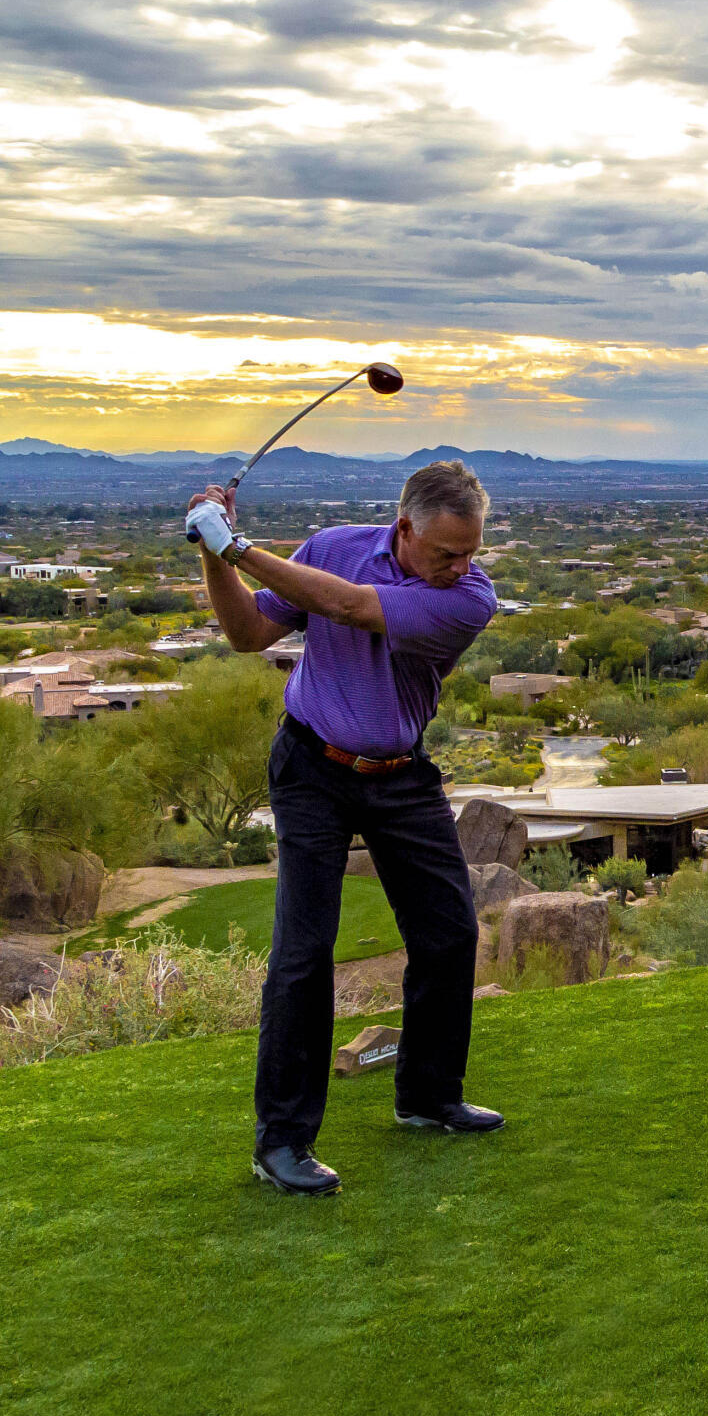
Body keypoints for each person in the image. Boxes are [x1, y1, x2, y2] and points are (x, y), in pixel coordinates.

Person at [184, 459, 503, 1196]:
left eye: (471, 551)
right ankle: (283, 1144)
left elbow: (358, 608)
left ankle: (428, 1097)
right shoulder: (331, 545)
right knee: (303, 952)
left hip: (400, 770)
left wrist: (236, 545)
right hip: (312, 767)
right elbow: (248, 631)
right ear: (404, 528)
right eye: (447, 552)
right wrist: (213, 553)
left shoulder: (468, 600)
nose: (461, 566)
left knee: (449, 933)